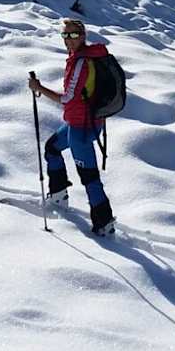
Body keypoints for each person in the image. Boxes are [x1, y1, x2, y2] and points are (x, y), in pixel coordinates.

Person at [29, 18, 116, 236]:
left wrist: (39, 88)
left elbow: (67, 98)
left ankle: (104, 224)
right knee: (52, 148)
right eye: (65, 35)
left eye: (74, 35)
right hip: (83, 123)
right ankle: (58, 197)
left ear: (83, 36)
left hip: (82, 128)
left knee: (89, 176)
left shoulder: (81, 62)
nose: (69, 40)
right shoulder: (85, 57)